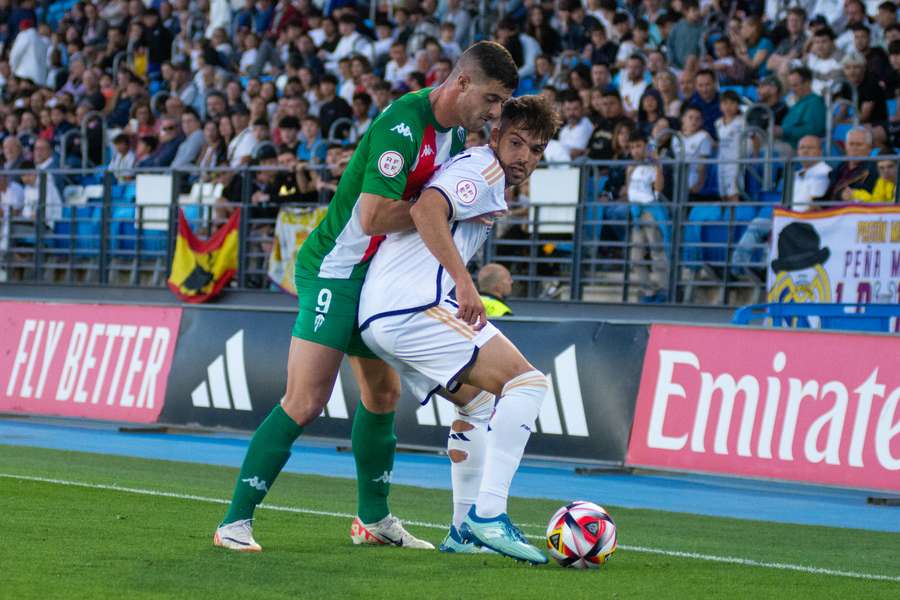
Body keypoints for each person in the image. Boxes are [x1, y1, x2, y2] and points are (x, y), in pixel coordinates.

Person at [213, 41, 519, 553]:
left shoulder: (454, 135)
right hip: (336, 268)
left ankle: (372, 521)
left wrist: (444, 210)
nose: (494, 113)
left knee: (382, 397)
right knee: (307, 400)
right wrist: (446, 210)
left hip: (376, 279)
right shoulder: (405, 125)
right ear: (462, 83)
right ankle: (234, 522)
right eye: (490, 99)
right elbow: (375, 216)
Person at [358, 95, 559, 564]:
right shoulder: (483, 170)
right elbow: (427, 210)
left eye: (536, 150)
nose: (524, 157)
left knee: (480, 400)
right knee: (527, 383)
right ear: (495, 135)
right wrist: (465, 285)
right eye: (516, 142)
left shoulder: (478, 167)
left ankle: (462, 528)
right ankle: (489, 515)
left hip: (383, 315)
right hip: (412, 307)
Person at [623, 130, 667, 302]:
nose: (635, 150)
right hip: (636, 213)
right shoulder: (631, 167)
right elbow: (629, 190)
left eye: (639, 146)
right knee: (636, 256)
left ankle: (665, 288)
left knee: (657, 251)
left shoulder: (654, 166)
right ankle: (648, 290)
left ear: (645, 147)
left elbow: (659, 189)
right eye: (632, 147)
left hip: (650, 211)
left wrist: (656, 165)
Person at [715, 90, 744, 202]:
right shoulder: (718, 123)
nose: (728, 106)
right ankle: (725, 218)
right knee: (723, 193)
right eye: (725, 103)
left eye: (732, 103)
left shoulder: (742, 122)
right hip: (722, 161)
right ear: (720, 106)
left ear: (737, 105)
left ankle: (735, 217)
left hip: (735, 161)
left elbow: (753, 138)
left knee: (733, 192)